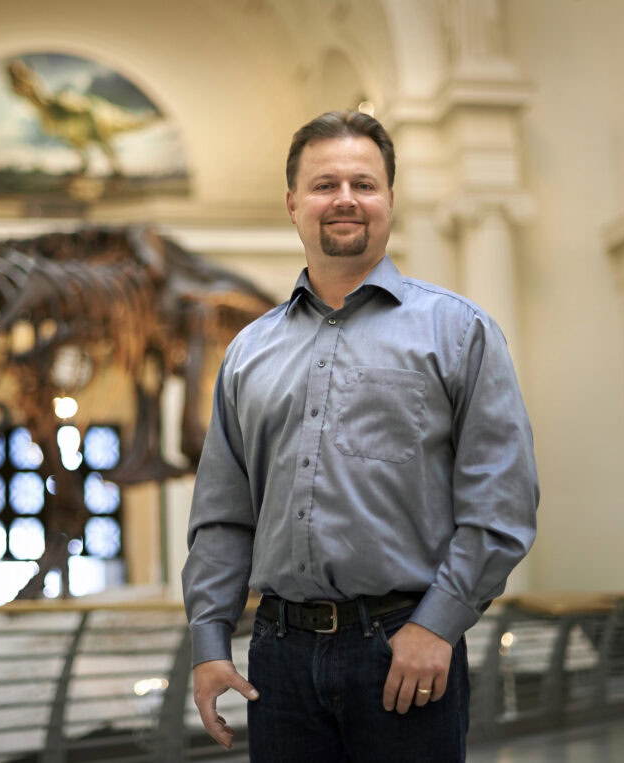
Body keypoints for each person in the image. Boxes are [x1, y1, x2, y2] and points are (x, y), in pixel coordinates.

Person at [181, 110, 538, 762]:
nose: (345, 198)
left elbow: (501, 502)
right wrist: (207, 643)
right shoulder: (246, 353)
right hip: (278, 661)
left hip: (405, 650)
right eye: (324, 184)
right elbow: (223, 516)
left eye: (364, 183)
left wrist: (438, 624)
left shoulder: (460, 332)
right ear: (293, 205)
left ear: (390, 201)